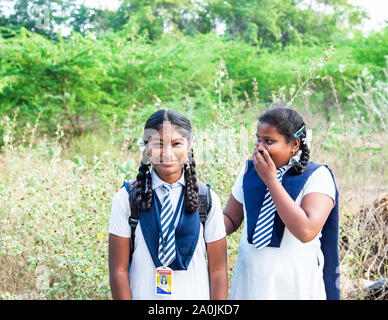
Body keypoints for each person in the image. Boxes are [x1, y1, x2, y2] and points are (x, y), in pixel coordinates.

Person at [108, 109, 228, 300]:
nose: (167, 153)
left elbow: (218, 270)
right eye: (158, 144)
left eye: (176, 143)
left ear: (189, 147)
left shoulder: (206, 198)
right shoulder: (127, 199)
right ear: (146, 148)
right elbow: (118, 271)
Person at [224, 106, 340, 300]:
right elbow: (230, 219)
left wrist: (271, 181)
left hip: (295, 284)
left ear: (294, 144)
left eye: (269, 141)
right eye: (258, 139)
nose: (260, 147)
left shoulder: (317, 176)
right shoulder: (250, 172)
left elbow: (306, 231)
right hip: (250, 281)